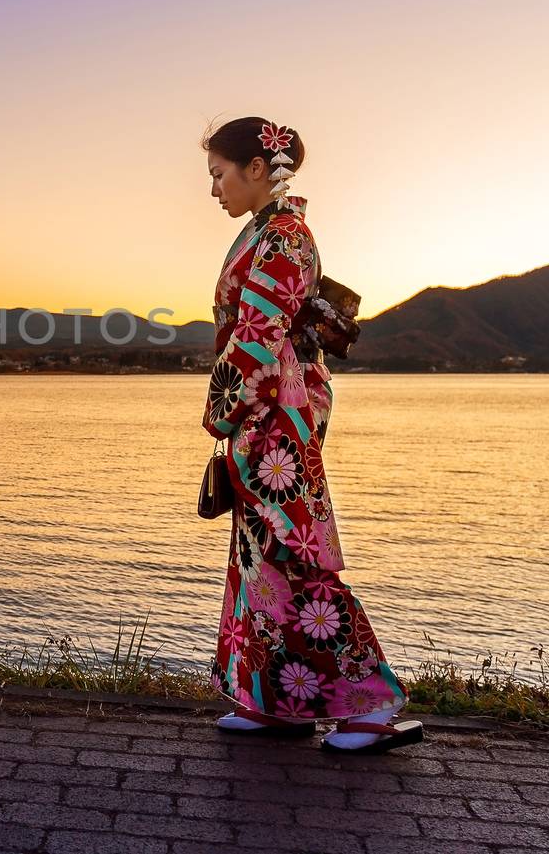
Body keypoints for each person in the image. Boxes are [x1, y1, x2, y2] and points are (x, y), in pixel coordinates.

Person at [199, 116, 422, 754]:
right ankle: (278, 702)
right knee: (261, 558)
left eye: (219, 173)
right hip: (270, 407)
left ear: (256, 168)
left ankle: (372, 707)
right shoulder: (269, 231)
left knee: (294, 552)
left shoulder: (285, 236)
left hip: (276, 407)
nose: (214, 188)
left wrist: (220, 410)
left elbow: (258, 335)